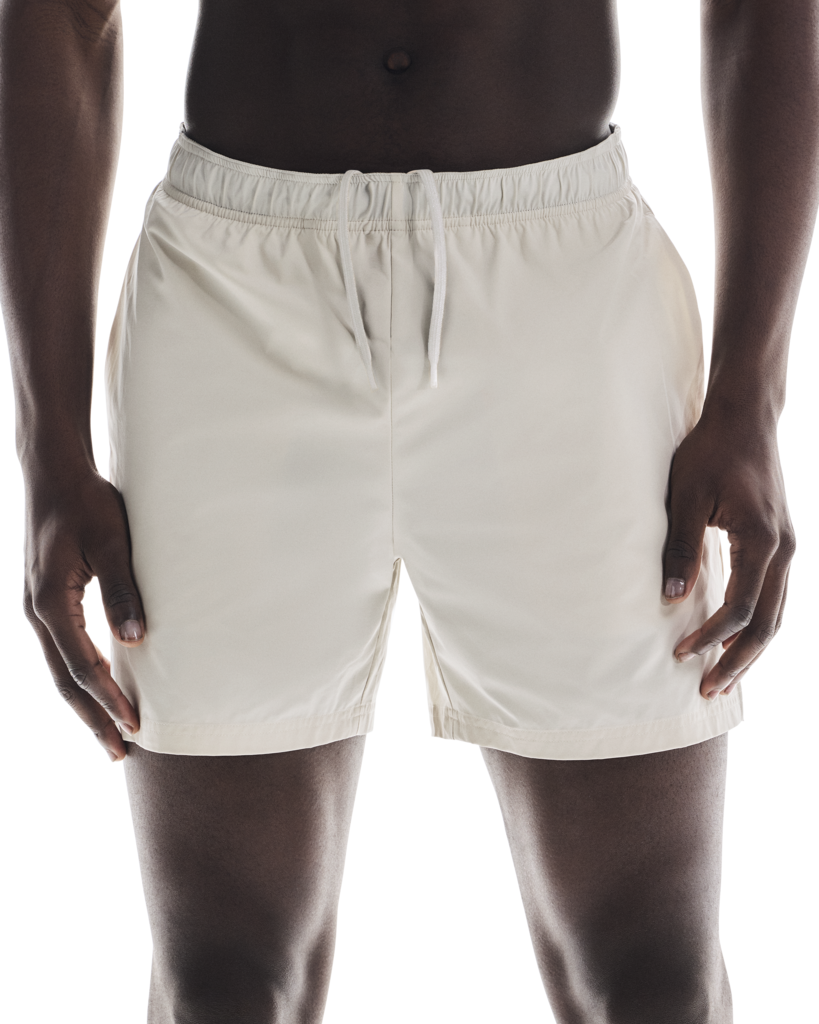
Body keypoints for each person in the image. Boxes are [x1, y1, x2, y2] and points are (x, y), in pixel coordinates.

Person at [2, 1, 814, 1020]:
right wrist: (49, 446)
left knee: (652, 978)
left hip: (564, 299)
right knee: (225, 983)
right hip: (232, 294)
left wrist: (750, 393)